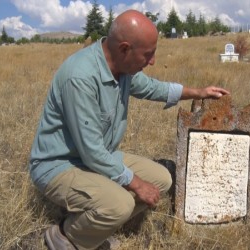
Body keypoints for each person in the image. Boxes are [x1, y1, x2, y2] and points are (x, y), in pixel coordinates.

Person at [29, 9, 230, 250]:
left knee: (161, 180)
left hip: (94, 157)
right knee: (121, 203)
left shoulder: (121, 68)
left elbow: (153, 88)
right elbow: (92, 152)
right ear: (125, 48)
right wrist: (135, 183)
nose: (153, 61)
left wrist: (198, 93)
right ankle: (68, 234)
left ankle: (95, 223)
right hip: (60, 165)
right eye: (149, 54)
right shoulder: (80, 77)